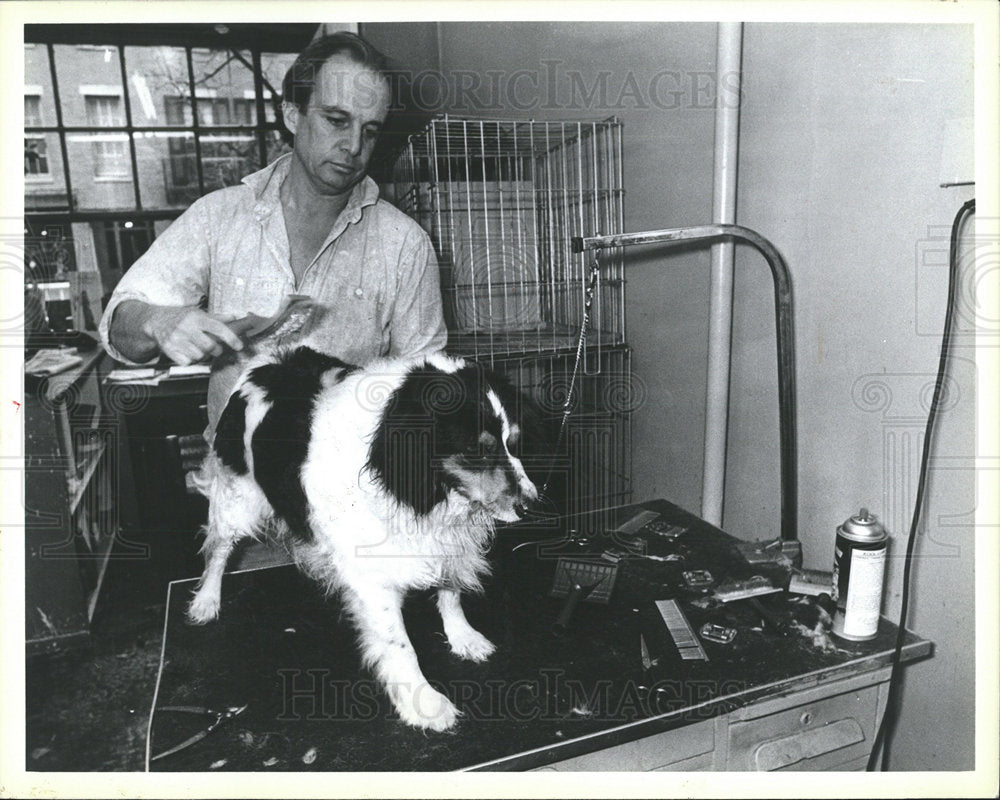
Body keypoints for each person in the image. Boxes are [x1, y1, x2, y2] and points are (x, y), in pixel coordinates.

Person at [99, 32, 447, 437]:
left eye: (370, 131)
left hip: (347, 490)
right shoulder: (219, 217)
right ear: (291, 113)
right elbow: (119, 326)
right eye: (336, 120)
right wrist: (158, 321)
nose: (353, 145)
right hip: (239, 484)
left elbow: (429, 387)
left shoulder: (405, 245)